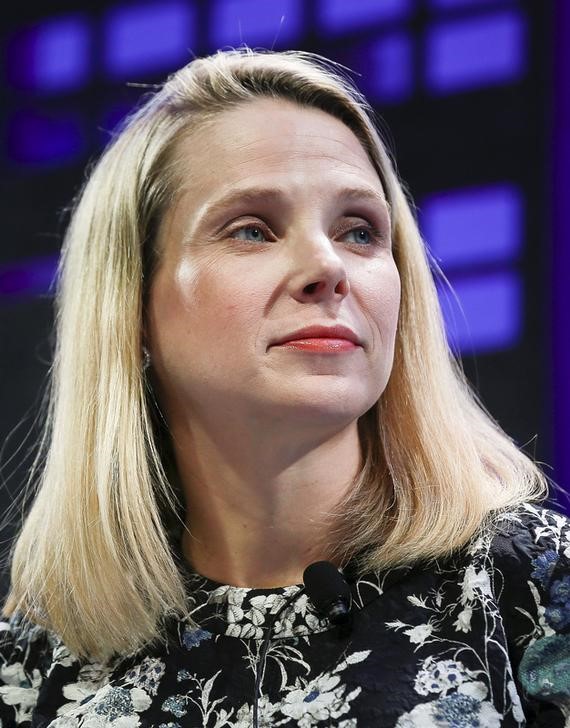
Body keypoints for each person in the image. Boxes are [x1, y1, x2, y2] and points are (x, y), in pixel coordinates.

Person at [0, 47, 568, 728]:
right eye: (252, 229)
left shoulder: (532, 586)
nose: (327, 267)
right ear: (133, 306)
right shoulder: (42, 663)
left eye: (360, 231)